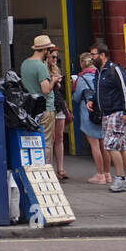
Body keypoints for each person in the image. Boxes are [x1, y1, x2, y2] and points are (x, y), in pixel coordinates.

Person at [89, 41, 126, 192]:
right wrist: (93, 101)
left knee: (110, 145)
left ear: (102, 55)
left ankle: (120, 178)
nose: (91, 57)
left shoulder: (114, 70)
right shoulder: (99, 72)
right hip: (107, 113)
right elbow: (99, 91)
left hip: (116, 112)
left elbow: (125, 90)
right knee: (121, 147)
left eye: (93, 54)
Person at [72, 52, 110, 184]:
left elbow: (76, 98)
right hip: (102, 111)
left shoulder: (81, 79)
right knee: (103, 144)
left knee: (95, 145)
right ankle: (107, 174)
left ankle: (99, 175)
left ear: (82, 63)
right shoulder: (100, 75)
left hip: (88, 113)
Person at [20, 35, 59, 163]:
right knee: (47, 142)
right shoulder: (40, 66)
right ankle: (47, 171)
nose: (50, 53)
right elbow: (46, 90)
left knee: (33, 141)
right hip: (45, 108)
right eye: (49, 50)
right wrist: (53, 80)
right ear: (45, 50)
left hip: (30, 108)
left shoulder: (25, 64)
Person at [49, 47, 70, 180]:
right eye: (53, 57)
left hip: (59, 105)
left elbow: (61, 93)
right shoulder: (43, 70)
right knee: (50, 138)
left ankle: (61, 168)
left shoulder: (57, 70)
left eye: (57, 57)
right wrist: (54, 81)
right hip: (49, 107)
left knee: (59, 137)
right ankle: (49, 167)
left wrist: (66, 108)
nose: (55, 60)